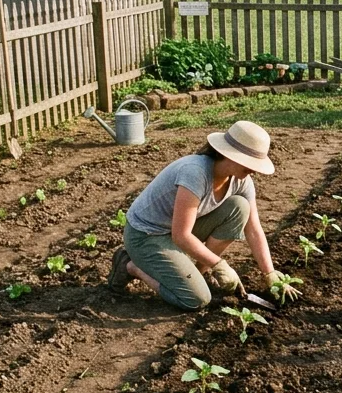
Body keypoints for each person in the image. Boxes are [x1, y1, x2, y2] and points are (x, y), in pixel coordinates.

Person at [107, 120, 301, 309]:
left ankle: (199, 274)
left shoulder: (241, 180)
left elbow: (254, 229)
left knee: (239, 207)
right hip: (146, 236)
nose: (254, 171)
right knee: (195, 299)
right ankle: (132, 266)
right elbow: (180, 235)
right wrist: (220, 264)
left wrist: (270, 273)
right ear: (231, 155)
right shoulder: (195, 173)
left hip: (176, 231)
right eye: (250, 163)